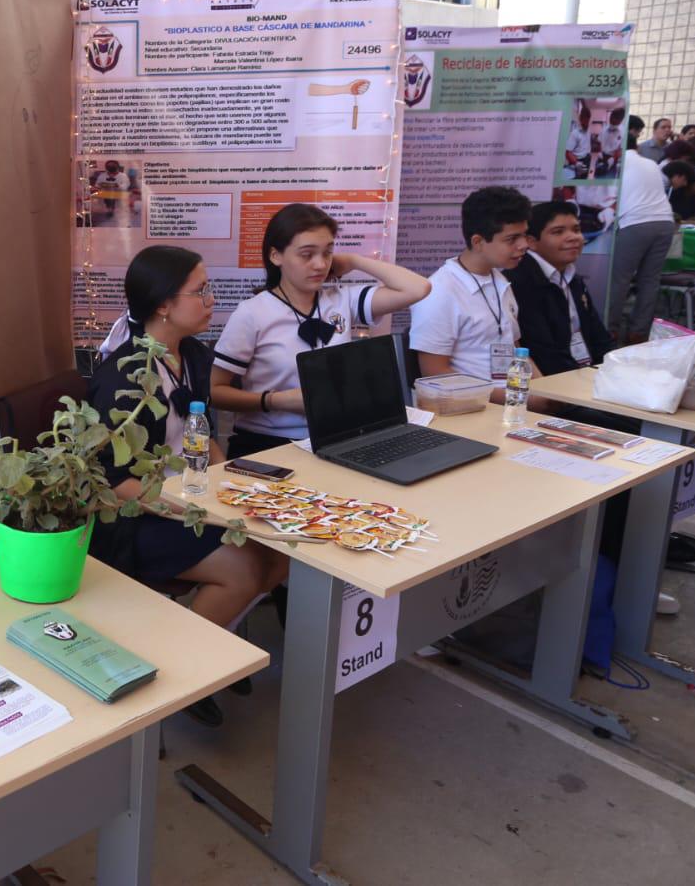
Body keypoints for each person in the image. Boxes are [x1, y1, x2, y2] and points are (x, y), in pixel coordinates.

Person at [90, 246, 288, 727]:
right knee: (243, 568)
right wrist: (193, 509)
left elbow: (203, 439)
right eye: (200, 291)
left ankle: (211, 648)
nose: (211, 300)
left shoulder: (194, 355)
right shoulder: (123, 375)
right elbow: (114, 486)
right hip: (136, 519)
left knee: (282, 552)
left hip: (191, 499)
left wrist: (230, 486)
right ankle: (178, 677)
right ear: (162, 305)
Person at [210, 204, 430, 456]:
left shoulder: (340, 299)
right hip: (270, 443)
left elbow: (419, 289)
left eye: (327, 253)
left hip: (339, 437)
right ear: (276, 256)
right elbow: (215, 393)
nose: (320, 264)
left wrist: (355, 261)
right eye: (307, 254)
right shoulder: (253, 313)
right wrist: (274, 400)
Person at [410, 186, 531, 385]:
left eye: (524, 235)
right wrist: (517, 397)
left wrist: (542, 390)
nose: (524, 245)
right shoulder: (439, 291)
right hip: (472, 406)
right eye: (511, 239)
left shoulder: (499, 279)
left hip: (513, 398)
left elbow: (516, 351)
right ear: (478, 242)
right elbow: (434, 374)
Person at [507, 202, 614, 375]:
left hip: (588, 375)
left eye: (576, 229)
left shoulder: (572, 277)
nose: (573, 237)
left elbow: (600, 337)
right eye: (558, 232)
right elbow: (545, 354)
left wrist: (614, 369)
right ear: (531, 242)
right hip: (553, 383)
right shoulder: (520, 283)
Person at [605, 151, 679, 344]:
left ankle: (609, 330)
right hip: (665, 221)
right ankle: (639, 332)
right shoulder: (651, 163)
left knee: (619, 279)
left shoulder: (618, 163)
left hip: (635, 222)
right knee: (650, 280)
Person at [563, 101, 593, 179]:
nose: (586, 122)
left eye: (588, 119)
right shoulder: (575, 133)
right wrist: (577, 163)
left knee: (585, 179)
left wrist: (589, 154)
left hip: (587, 159)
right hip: (577, 161)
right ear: (580, 118)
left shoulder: (588, 131)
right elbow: (567, 152)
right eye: (584, 119)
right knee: (577, 181)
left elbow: (587, 144)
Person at [597, 107, 625, 177]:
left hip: (613, 159)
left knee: (609, 179)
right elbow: (599, 141)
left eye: (615, 120)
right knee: (598, 177)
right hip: (602, 157)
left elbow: (620, 149)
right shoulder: (604, 128)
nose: (612, 120)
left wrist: (613, 159)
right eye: (611, 118)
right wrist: (599, 152)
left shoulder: (623, 132)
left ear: (620, 120)